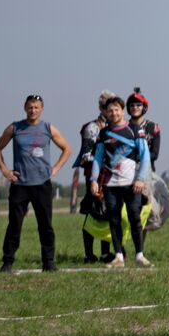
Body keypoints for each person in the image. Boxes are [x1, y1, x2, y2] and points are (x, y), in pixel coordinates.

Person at [0, 95, 71, 273]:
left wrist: (56, 168)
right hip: (20, 185)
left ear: (42, 108)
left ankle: (49, 263)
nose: (33, 110)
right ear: (25, 108)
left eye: (36, 107)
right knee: (15, 224)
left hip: (42, 184)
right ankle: (7, 262)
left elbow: (67, 149)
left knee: (45, 225)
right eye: (30, 107)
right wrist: (5, 171)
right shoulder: (15, 128)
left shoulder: (48, 128)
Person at [92, 95, 153, 268]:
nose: (113, 113)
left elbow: (145, 156)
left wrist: (140, 179)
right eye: (110, 110)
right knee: (114, 219)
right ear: (105, 112)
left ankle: (140, 255)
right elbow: (98, 158)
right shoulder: (103, 133)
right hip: (111, 185)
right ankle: (118, 256)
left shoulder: (134, 129)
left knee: (135, 217)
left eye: (116, 109)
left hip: (132, 183)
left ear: (122, 110)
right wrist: (94, 180)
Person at [73, 91, 115, 261]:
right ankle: (89, 254)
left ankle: (105, 253)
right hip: (95, 178)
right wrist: (108, 158)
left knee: (108, 215)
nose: (111, 110)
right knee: (93, 215)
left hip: (113, 178)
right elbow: (85, 156)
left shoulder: (118, 126)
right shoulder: (93, 127)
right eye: (107, 106)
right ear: (101, 108)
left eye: (114, 106)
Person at [127, 88, 160, 172]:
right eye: (132, 105)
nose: (135, 107)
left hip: (147, 171)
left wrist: (135, 157)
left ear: (144, 107)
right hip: (126, 171)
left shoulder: (153, 127)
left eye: (138, 105)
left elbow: (154, 154)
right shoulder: (124, 126)